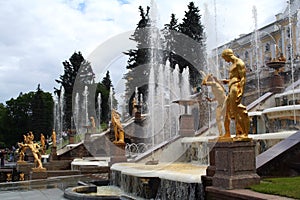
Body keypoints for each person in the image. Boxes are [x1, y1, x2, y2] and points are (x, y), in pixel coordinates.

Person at [221, 49, 250, 140]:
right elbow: (235, 77)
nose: (225, 60)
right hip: (231, 88)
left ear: (228, 55)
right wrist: (228, 81)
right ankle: (227, 133)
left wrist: (240, 92)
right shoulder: (233, 64)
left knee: (236, 110)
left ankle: (243, 133)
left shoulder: (239, 63)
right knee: (225, 110)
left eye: (225, 58)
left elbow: (243, 79)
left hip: (235, 88)